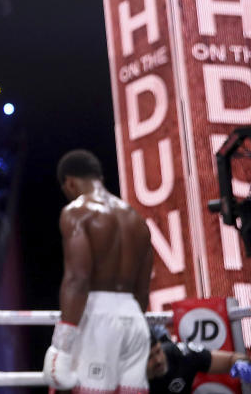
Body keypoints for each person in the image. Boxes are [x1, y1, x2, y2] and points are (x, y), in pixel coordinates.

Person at [44, 149, 154, 393]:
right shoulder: (137, 219)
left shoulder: (77, 212)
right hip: (135, 318)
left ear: (70, 182)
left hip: (98, 318)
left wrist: (61, 345)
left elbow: (77, 280)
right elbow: (143, 289)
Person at [147, 325, 251, 393]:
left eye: (158, 351)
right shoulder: (132, 380)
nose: (158, 360)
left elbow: (230, 360)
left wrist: (242, 363)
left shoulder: (179, 353)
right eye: (150, 357)